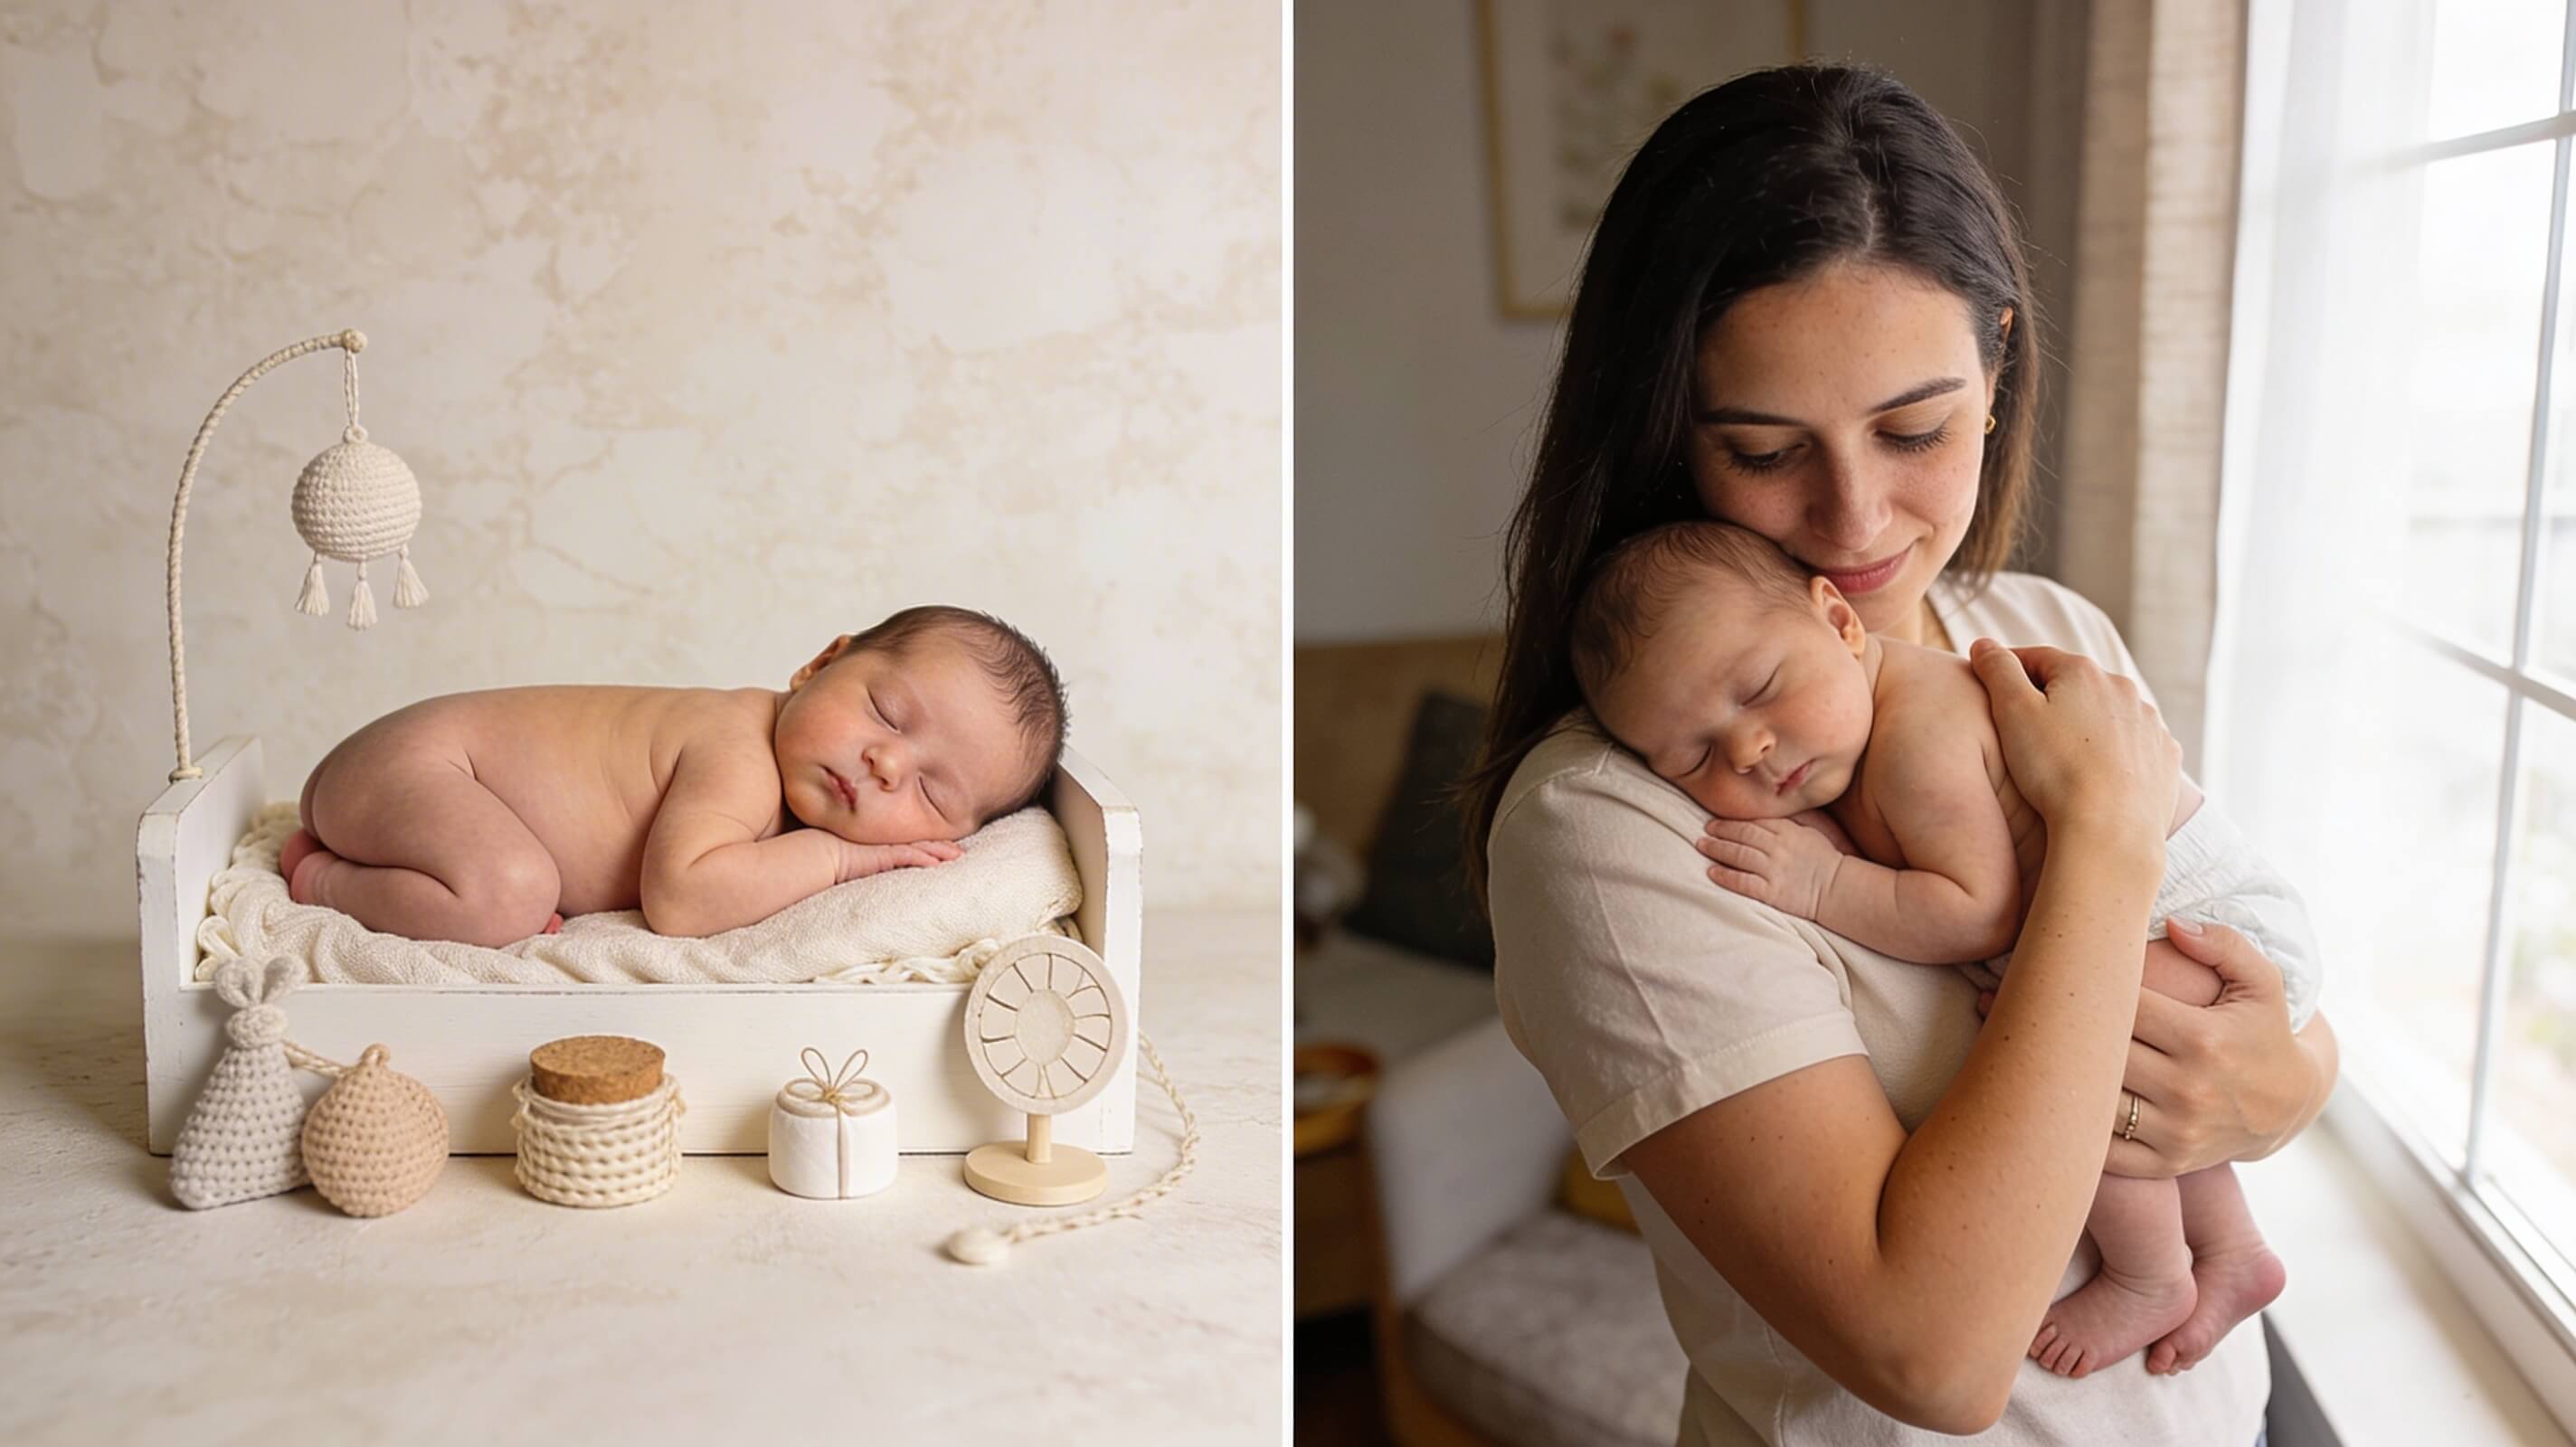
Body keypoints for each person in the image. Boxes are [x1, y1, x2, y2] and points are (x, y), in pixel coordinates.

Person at [1463, 64, 2338, 1442]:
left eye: (1916, 430)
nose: (1853, 518)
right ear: (1663, 428)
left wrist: (2295, 1081)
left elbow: (2228, 972)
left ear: (1998, 367)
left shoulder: (2041, 626)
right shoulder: (1612, 819)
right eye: (1761, 448)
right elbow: (1934, 1362)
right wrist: (2100, 846)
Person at [1569, 518, 2316, 1381]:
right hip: (2180, 918)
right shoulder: (1818, 741)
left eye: (1760, 689)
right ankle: (2235, 1250)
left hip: (2201, 916)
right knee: (2126, 1066)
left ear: (1842, 624)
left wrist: (1824, 884)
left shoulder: (1918, 736)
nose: (1747, 749)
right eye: (1692, 755)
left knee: (2088, 1061)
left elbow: (1978, 913)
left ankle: (2150, 1275)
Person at [279, 605, 1067, 943]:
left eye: (931, 792)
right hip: (412, 767)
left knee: (512, 889)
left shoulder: (784, 781)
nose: (888, 763)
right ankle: (322, 879)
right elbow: (683, 900)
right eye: (886, 714)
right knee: (509, 894)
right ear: (821, 663)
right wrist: (838, 858)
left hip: (423, 779)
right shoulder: (739, 748)